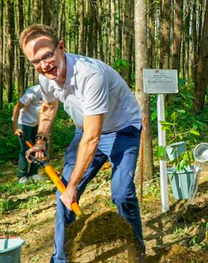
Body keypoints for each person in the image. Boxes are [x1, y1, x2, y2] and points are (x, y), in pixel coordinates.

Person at [19, 24, 144, 263]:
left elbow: (93, 138)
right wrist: (41, 140)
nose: (44, 64)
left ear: (61, 48)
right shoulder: (45, 77)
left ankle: (136, 254)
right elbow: (49, 106)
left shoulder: (90, 75)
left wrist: (73, 186)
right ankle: (60, 259)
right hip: (85, 131)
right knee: (62, 196)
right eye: (36, 61)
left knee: (121, 193)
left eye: (47, 55)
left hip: (122, 129)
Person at [12, 84, 44, 184]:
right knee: (26, 149)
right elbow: (17, 107)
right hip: (23, 123)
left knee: (39, 147)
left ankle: (33, 173)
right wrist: (16, 127)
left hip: (36, 123)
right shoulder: (33, 91)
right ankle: (22, 176)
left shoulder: (52, 91)